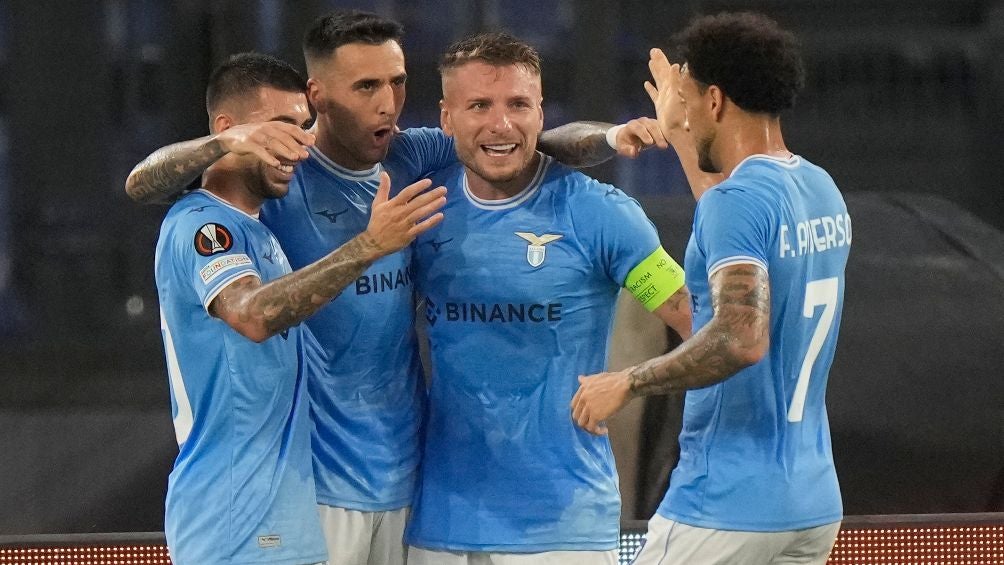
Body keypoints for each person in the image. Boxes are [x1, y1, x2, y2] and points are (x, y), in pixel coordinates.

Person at [126, 11, 666, 565]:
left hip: (412, 481)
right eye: (366, 86)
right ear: (318, 97)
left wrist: (611, 135)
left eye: (397, 82)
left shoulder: (415, 157)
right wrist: (223, 144)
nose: (388, 103)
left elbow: (528, 142)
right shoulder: (282, 173)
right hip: (316, 482)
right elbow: (146, 184)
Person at [403, 32, 692, 565]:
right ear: (446, 117)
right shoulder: (420, 208)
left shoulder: (602, 214)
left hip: (564, 530)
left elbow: (698, 323)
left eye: (518, 105)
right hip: (439, 526)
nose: (501, 124)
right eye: (479, 106)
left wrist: (635, 380)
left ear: (541, 113)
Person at [571, 12, 849, 565]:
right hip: (812, 503)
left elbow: (740, 338)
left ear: (715, 101)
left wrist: (628, 381)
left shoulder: (737, 203)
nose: (687, 112)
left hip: (726, 502)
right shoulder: (819, 188)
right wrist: (678, 133)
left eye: (690, 100)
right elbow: (729, 221)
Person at [154, 52, 445, 565]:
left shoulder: (260, 229)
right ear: (228, 131)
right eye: (281, 128)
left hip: (282, 518)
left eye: (303, 126)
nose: (301, 144)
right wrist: (368, 247)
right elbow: (252, 315)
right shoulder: (201, 224)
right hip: (232, 518)